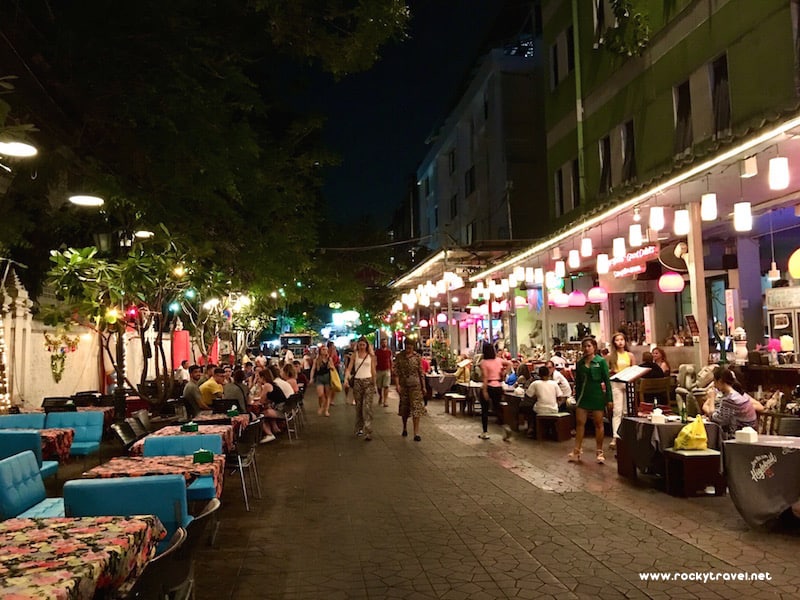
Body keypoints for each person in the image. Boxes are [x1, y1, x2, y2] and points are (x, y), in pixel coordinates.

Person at [570, 337, 613, 464]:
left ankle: (599, 451)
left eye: (589, 346)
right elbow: (577, 382)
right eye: (584, 346)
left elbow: (607, 381)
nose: (587, 348)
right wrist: (576, 397)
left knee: (599, 423)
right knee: (579, 422)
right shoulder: (580, 363)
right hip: (583, 395)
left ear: (594, 347)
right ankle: (577, 449)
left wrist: (609, 399)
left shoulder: (601, 362)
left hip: (597, 394)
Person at [702, 366, 757, 439]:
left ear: (720, 381)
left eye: (715, 382)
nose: (714, 385)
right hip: (749, 432)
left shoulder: (730, 399)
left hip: (739, 436)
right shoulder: (740, 394)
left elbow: (715, 419)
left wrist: (711, 398)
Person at [344, 337, 377, 441]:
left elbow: (373, 370)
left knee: (367, 407)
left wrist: (375, 384)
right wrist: (346, 379)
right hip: (358, 382)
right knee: (359, 406)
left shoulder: (370, 356)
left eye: (363, 345)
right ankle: (359, 427)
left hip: (368, 381)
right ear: (357, 345)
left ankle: (368, 430)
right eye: (360, 345)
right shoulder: (355, 355)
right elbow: (349, 368)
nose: (362, 347)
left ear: (366, 345)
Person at [393, 338, 426, 441]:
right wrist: (397, 385)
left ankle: (416, 432)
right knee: (404, 408)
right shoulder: (399, 357)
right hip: (404, 385)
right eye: (407, 345)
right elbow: (396, 372)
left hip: (416, 386)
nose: (408, 348)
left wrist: (423, 386)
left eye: (410, 346)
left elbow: (421, 373)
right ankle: (404, 427)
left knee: (416, 409)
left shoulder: (417, 357)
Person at [607, 332, 635, 450]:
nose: (620, 342)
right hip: (616, 383)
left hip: (628, 383)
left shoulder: (630, 355)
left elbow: (634, 369)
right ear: (614, 342)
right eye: (617, 340)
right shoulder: (610, 356)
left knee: (627, 411)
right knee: (617, 411)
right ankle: (615, 436)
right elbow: (607, 370)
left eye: (622, 339)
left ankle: (627, 435)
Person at [480, 342, 509, 440]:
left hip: (489, 385)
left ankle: (485, 431)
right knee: (497, 408)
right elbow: (509, 363)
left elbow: (485, 377)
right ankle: (505, 426)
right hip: (498, 386)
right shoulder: (498, 360)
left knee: (485, 410)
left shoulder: (484, 362)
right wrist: (504, 372)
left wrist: (484, 391)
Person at [310, 345, 335, 417]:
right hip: (319, 378)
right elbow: (313, 369)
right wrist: (311, 378)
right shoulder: (317, 360)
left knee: (328, 395)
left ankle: (326, 410)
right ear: (320, 351)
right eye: (323, 349)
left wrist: (331, 367)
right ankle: (321, 406)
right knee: (320, 394)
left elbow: (333, 368)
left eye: (326, 349)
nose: (325, 351)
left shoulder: (329, 359)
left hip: (327, 377)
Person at [375, 338, 393, 408]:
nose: (384, 344)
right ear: (380, 343)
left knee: (386, 386)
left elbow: (390, 360)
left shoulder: (389, 351)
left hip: (387, 370)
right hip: (379, 370)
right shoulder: (377, 352)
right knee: (379, 386)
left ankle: (385, 400)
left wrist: (391, 368)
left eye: (385, 342)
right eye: (383, 342)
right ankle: (380, 396)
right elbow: (375, 360)